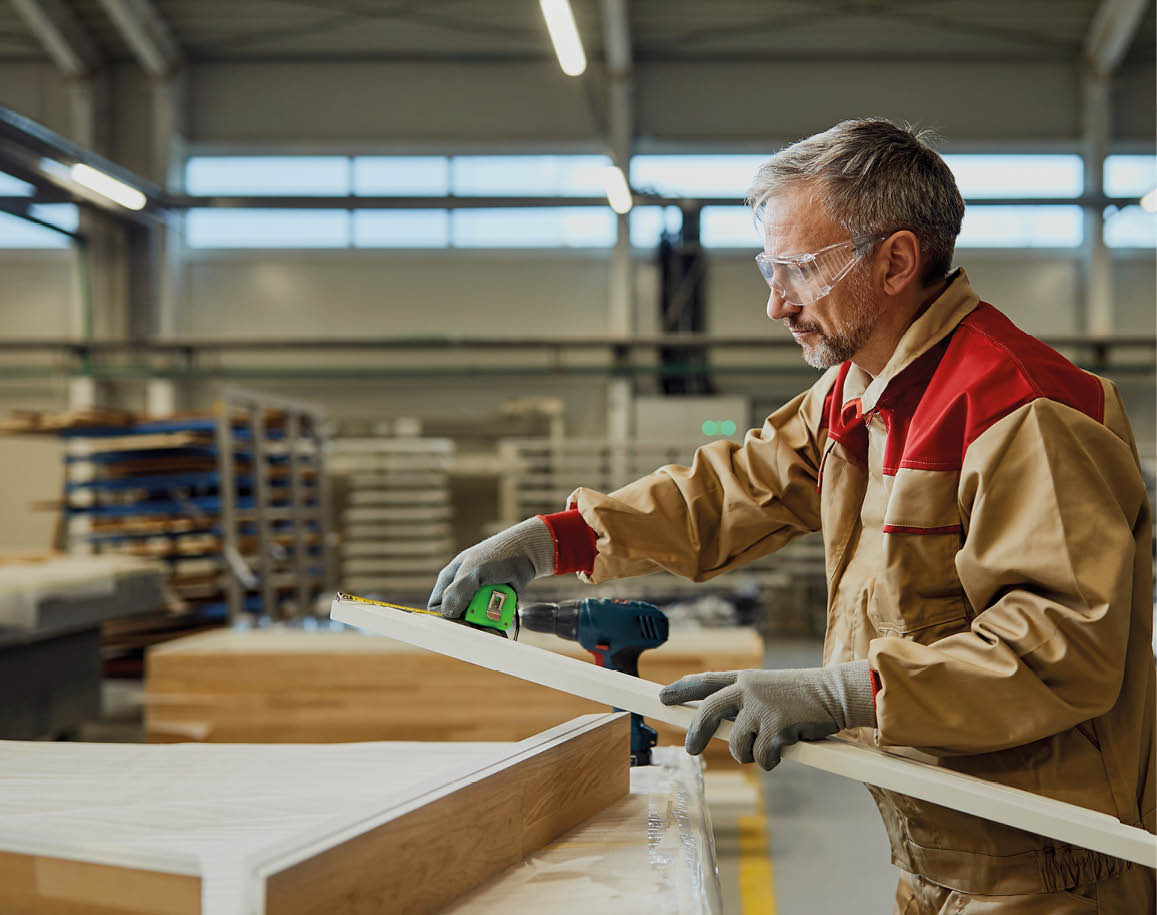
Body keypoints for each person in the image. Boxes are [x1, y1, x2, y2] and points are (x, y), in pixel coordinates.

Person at [428, 119, 1155, 913]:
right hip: (943, 846)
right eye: (766, 268)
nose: (776, 303)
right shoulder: (857, 392)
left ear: (895, 261)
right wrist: (554, 538)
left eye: (798, 270)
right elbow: (732, 486)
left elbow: (1063, 647)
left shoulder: (1019, 409)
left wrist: (845, 693)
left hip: (1052, 865)